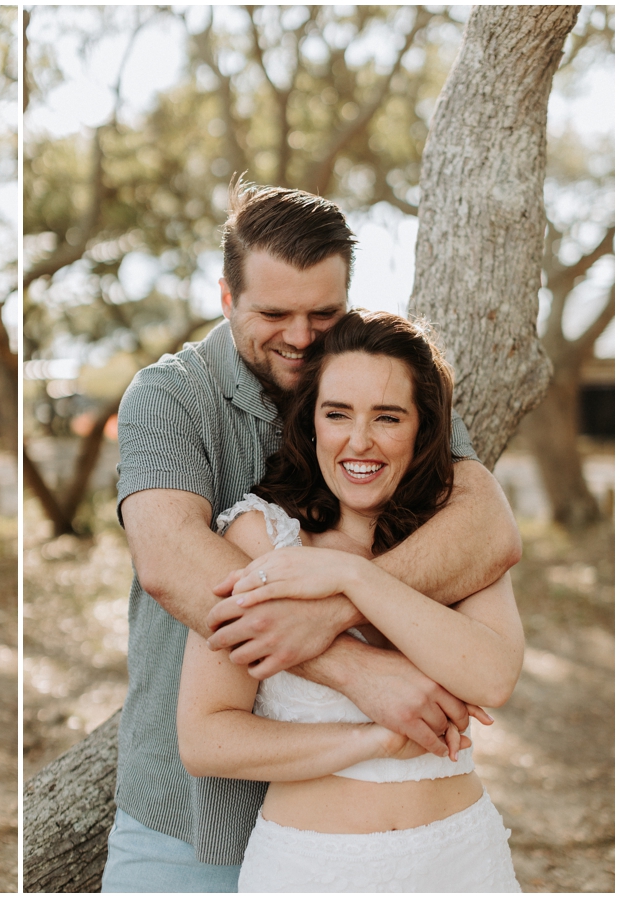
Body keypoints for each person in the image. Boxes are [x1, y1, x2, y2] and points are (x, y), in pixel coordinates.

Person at [104, 178, 522, 892]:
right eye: (273, 312)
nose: (300, 338)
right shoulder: (171, 395)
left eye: (322, 314)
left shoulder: (382, 379)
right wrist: (359, 670)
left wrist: (342, 593)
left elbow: (484, 521)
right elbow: (173, 563)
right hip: (190, 817)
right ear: (226, 296)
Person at [177, 310, 523, 891]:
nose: (359, 441)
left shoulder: (452, 538)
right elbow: (206, 738)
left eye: (388, 417)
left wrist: (352, 578)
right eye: (337, 414)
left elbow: (493, 677)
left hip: (461, 859)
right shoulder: (264, 538)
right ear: (311, 422)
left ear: (423, 428)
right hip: (312, 867)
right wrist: (373, 740)